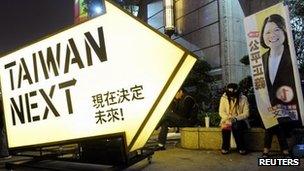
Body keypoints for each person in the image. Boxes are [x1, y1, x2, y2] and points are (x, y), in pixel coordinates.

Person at [259, 14, 298, 157]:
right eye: (267, 32)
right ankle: (283, 150)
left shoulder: (291, 55)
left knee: (274, 124)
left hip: (288, 104)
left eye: (276, 30)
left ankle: (267, 150)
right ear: (263, 36)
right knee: (273, 122)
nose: (272, 35)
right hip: (268, 104)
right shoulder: (262, 59)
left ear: (284, 31)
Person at [219, 83, 249, 155]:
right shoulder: (224, 98)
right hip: (227, 118)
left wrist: (235, 118)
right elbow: (221, 112)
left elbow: (246, 113)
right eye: (230, 96)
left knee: (237, 126)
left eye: (234, 96)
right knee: (226, 127)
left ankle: (241, 147)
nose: (232, 98)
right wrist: (228, 118)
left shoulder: (244, 98)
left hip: (239, 119)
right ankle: (225, 147)